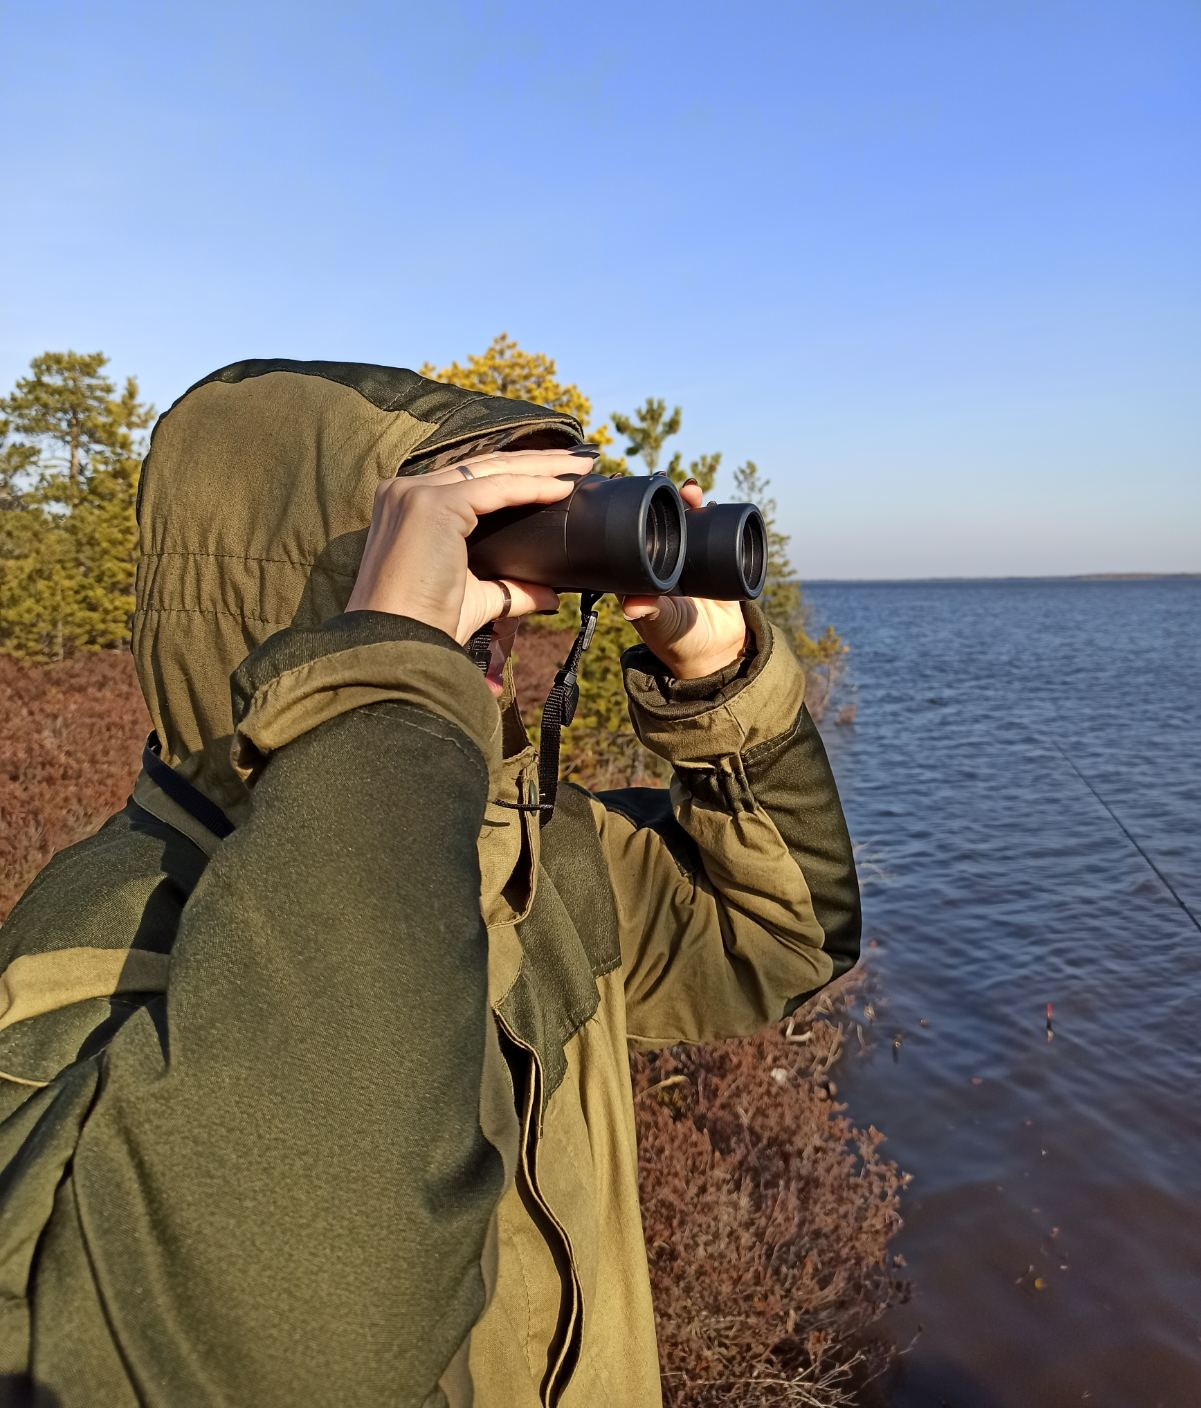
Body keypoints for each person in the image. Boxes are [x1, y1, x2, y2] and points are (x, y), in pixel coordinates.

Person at [0, 359, 860, 1407]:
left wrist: (716, 678)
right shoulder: (95, 948)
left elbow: (784, 941)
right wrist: (383, 676)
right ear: (287, 588)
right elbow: (248, 1348)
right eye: (450, 545)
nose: (495, 610)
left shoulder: (530, 845)